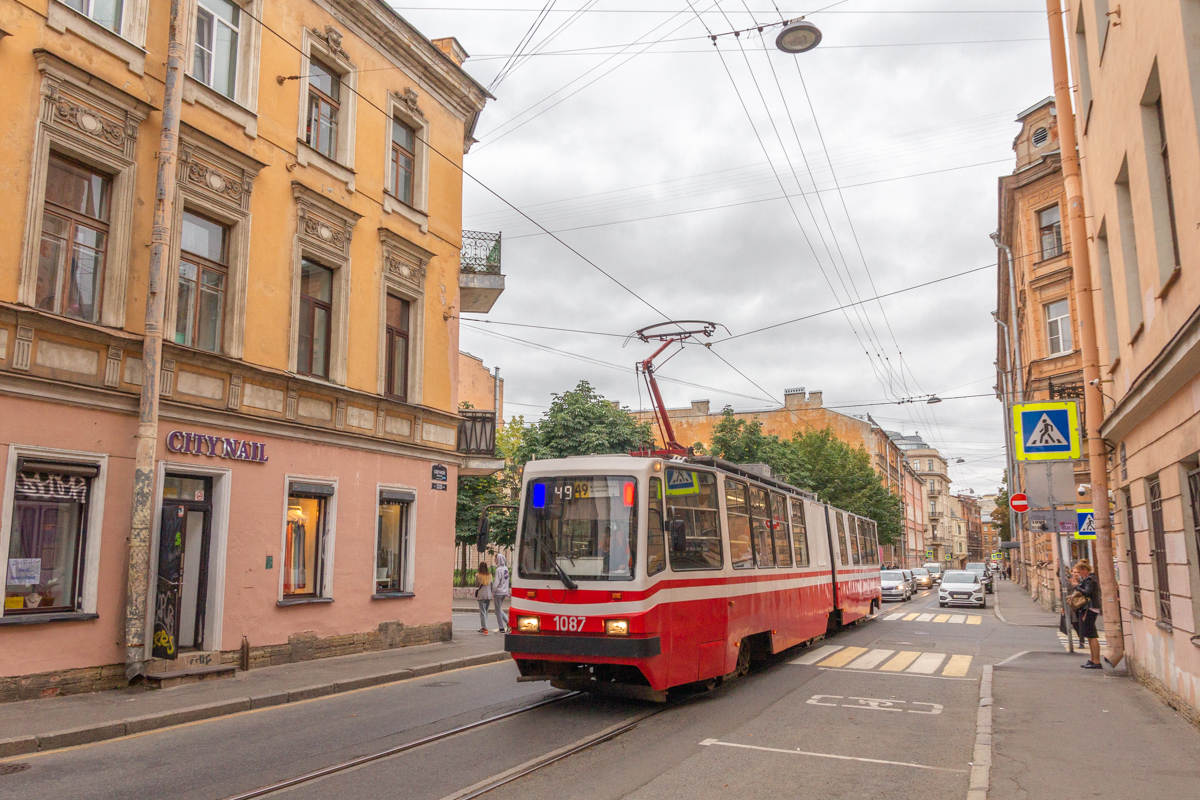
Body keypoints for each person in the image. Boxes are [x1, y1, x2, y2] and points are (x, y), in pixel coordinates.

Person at [1069, 559, 1102, 669]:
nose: (1079, 574)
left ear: (1084, 570)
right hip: (1090, 607)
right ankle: (1093, 659)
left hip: (1090, 608)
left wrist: (1076, 586)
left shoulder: (1090, 579)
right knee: (1089, 634)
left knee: (1092, 635)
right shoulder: (1090, 578)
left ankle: (1096, 661)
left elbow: (1087, 592)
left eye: (1080, 571)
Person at [492, 554, 510, 633]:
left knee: (497, 611)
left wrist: (493, 590)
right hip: (504, 592)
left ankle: (501, 628)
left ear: (498, 560)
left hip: (498, 592)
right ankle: (508, 622)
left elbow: (496, 582)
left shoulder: (498, 570)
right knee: (498, 609)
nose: (494, 560)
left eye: (495, 559)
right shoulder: (506, 569)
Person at [475, 562, 494, 635]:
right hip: (488, 595)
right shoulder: (490, 576)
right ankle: (484, 627)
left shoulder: (478, 575)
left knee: (482, 612)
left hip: (481, 595)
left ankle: (485, 628)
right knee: (485, 612)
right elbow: (492, 585)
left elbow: (476, 584)